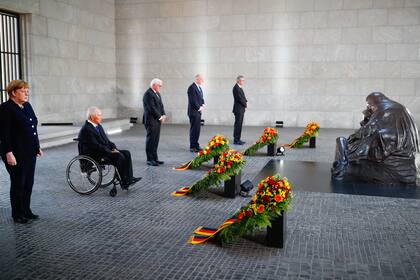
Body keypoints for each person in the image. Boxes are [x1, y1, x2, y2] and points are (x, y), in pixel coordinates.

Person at [331, 92, 420, 184]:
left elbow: (367, 130)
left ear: (372, 103)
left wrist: (351, 137)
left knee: (349, 167)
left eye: (369, 105)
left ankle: (342, 165)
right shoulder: (401, 108)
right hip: (409, 166)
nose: (369, 107)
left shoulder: (383, 108)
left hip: (392, 169)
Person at [0, 80, 43, 224]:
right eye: (23, 91)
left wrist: (37, 147)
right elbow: (4, 133)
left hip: (29, 151)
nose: (27, 93)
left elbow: (33, 128)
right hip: (15, 153)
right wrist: (8, 152)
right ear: (13, 93)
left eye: (27, 90)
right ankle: (17, 214)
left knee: (28, 183)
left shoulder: (27, 105)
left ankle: (26, 210)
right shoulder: (6, 108)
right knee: (18, 183)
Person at [78, 107, 141, 189]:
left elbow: (106, 140)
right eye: (99, 115)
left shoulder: (98, 126)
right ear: (92, 117)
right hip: (95, 154)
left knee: (126, 153)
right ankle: (124, 182)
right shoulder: (86, 129)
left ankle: (129, 178)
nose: (101, 117)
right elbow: (95, 145)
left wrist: (114, 147)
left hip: (103, 150)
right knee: (119, 156)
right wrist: (110, 152)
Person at [143, 78, 166, 166]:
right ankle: (149, 159)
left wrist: (163, 115)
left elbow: (161, 105)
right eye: (159, 86)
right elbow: (151, 108)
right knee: (151, 140)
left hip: (157, 121)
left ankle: (155, 158)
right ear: (154, 85)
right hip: (151, 121)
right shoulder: (148, 94)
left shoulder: (157, 93)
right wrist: (160, 117)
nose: (160, 87)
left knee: (156, 140)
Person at [187, 74, 205, 152]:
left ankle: (196, 145)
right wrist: (199, 107)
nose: (202, 81)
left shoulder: (199, 88)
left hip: (198, 112)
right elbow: (193, 100)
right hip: (193, 112)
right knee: (194, 129)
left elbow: (201, 98)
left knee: (197, 129)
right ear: (197, 79)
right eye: (201, 79)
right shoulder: (192, 88)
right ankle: (192, 146)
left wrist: (203, 104)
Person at [232, 75, 248, 145]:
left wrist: (246, 101)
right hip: (238, 109)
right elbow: (239, 98)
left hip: (241, 109)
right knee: (238, 124)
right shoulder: (236, 88)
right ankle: (236, 140)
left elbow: (243, 97)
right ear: (238, 80)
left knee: (239, 124)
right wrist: (245, 104)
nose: (243, 82)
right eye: (242, 80)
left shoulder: (239, 87)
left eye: (243, 80)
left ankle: (238, 138)